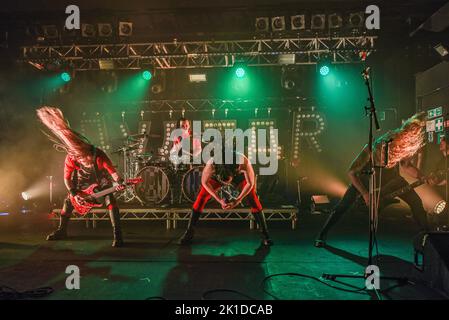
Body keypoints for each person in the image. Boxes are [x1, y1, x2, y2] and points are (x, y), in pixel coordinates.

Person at [315, 112, 429, 247]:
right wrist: (365, 194)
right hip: (366, 180)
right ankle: (322, 234)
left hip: (392, 180)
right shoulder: (371, 148)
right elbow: (351, 172)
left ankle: (428, 236)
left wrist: (422, 176)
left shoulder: (402, 148)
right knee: (342, 207)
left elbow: (406, 166)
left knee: (416, 202)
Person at [37, 107, 126, 247]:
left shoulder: (99, 155)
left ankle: (118, 235)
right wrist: (74, 193)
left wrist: (119, 182)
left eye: (86, 159)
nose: (84, 161)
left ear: (88, 152)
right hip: (82, 187)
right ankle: (62, 231)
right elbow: (67, 179)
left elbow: (113, 173)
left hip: (102, 186)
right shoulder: (71, 158)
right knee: (67, 202)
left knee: (111, 201)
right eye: (81, 160)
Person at [178, 148, 273, 246]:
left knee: (252, 197)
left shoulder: (242, 162)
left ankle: (265, 235)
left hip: (238, 177)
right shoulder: (212, 164)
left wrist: (237, 201)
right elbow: (204, 182)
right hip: (218, 176)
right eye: (224, 182)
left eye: (227, 181)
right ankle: (189, 232)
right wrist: (219, 200)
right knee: (201, 196)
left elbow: (250, 184)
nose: (226, 184)